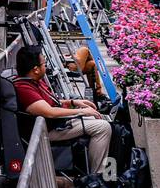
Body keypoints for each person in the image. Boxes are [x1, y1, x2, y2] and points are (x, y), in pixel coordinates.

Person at [12, 46, 112, 174]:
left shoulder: (34, 81)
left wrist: (74, 102)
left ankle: (107, 173)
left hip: (57, 124)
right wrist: (81, 111)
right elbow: (49, 112)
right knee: (103, 127)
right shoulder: (24, 88)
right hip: (48, 130)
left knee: (100, 118)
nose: (46, 66)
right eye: (44, 64)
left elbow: (52, 103)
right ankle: (98, 177)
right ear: (35, 69)